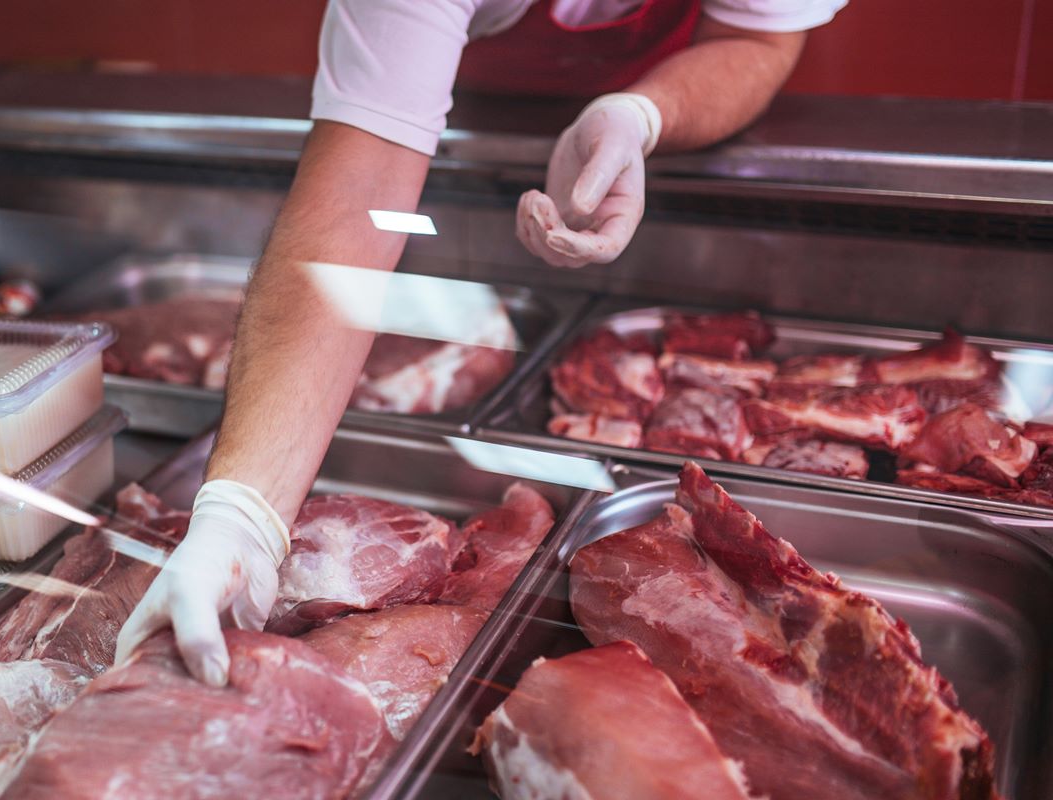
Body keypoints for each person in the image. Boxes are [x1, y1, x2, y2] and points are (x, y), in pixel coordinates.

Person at [116, 0, 846, 686]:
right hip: (421, 114)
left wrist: (642, 114)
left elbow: (754, 41)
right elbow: (355, 208)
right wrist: (243, 513)